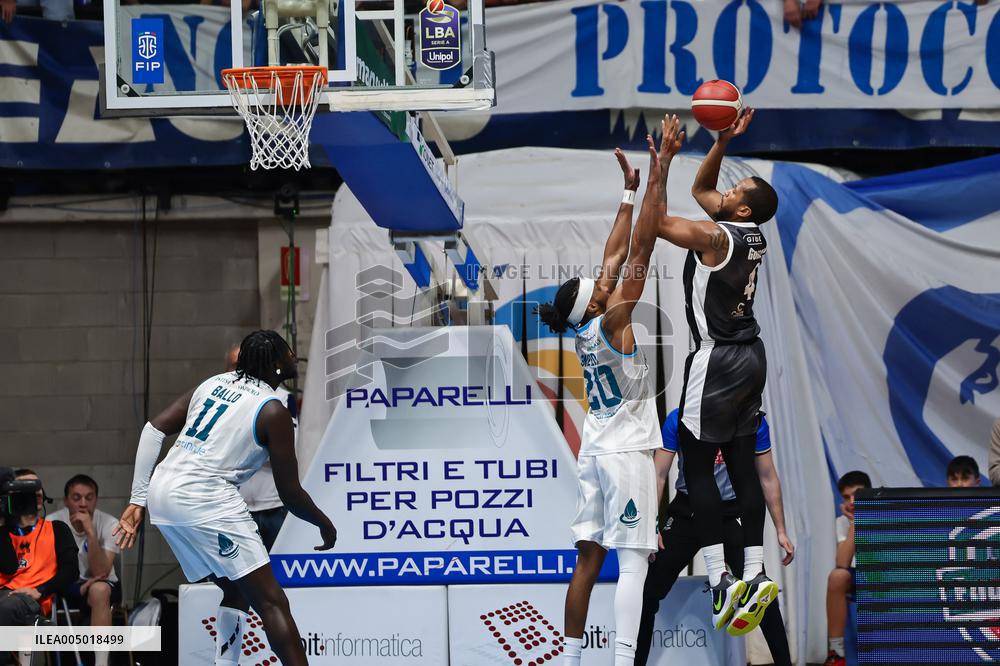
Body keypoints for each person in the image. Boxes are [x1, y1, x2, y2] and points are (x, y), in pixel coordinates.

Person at [114, 330, 337, 666]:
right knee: (272, 602)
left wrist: (138, 498)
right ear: (276, 365)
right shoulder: (272, 410)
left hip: (163, 493)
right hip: (204, 499)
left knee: (235, 588)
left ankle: (225, 663)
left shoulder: (213, 383)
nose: (294, 357)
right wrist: (324, 523)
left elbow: (153, 430)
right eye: (289, 353)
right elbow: (290, 494)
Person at [536, 134, 672, 666]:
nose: (604, 277)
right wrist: (661, 174)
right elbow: (637, 251)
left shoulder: (587, 326)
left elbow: (613, 254)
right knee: (633, 564)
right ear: (595, 301)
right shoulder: (616, 320)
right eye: (598, 284)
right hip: (625, 452)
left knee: (587, 562)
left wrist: (628, 193)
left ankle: (569, 660)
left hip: (593, 450)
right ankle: (620, 663)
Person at [652, 108, 780, 634]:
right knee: (745, 465)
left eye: (735, 191)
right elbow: (706, 186)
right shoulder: (751, 234)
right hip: (753, 357)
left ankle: (718, 576)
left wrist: (662, 166)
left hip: (717, 358)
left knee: (698, 467)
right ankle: (753, 569)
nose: (724, 191)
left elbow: (659, 224)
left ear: (742, 206)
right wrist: (721, 139)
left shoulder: (716, 238)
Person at [635, 408, 795, 663]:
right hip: (687, 515)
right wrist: (650, 525)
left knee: (761, 592)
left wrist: (781, 529)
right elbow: (659, 473)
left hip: (726, 518)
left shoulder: (752, 421)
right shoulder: (680, 418)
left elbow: (767, 476)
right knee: (646, 592)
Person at [226, 343, 295, 551]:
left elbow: (284, 451)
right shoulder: (223, 398)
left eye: (242, 365)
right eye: (233, 366)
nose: (238, 371)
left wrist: (235, 447)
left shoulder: (282, 398)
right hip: (236, 506)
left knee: (281, 571)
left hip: (274, 504)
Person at [50, 474, 121, 666]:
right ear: (66, 501)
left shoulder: (110, 524)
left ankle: (101, 663)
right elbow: (50, 572)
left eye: (89, 498)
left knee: (100, 589)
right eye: (76, 497)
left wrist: (90, 532)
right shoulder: (52, 523)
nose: (83, 503)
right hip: (67, 586)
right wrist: (77, 588)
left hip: (101, 584)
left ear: (96, 500)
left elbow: (101, 571)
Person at [0, 470, 78, 637]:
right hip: (3, 595)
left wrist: (41, 590)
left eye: (37, 487)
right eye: (25, 488)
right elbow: (8, 567)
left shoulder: (57, 529)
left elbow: (71, 570)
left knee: (7, 607)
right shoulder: (3, 530)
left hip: (32, 598)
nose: (34, 492)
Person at [823, 470, 871, 666]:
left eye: (857, 495)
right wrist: (854, 522)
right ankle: (836, 652)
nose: (852, 501)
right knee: (837, 577)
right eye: (846, 497)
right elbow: (842, 563)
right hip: (857, 578)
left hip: (883, 575)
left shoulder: (886, 514)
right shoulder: (842, 522)